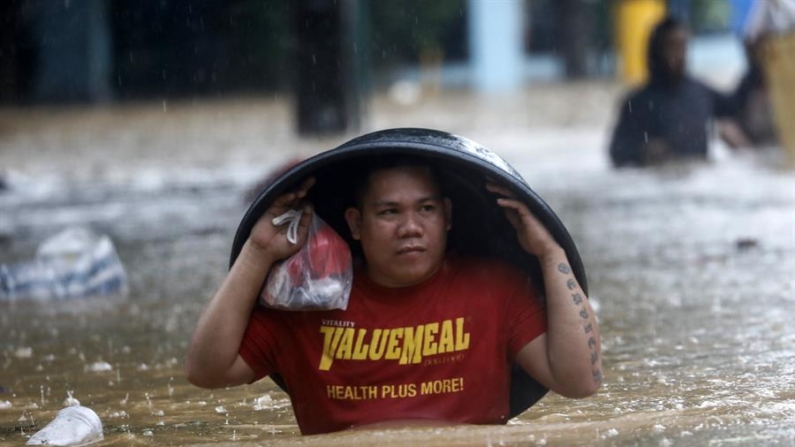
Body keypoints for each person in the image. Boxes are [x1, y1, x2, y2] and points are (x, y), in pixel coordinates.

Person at [185, 157, 602, 435]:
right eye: (389, 213)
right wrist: (257, 252)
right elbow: (207, 371)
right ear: (355, 223)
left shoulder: (496, 289)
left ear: (448, 216)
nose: (410, 228)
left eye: (426, 210)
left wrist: (550, 252)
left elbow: (580, 381)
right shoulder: (308, 302)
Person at [608, 17, 741, 167]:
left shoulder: (701, 92)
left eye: (683, 46)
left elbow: (738, 105)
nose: (679, 54)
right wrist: (643, 150)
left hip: (699, 178)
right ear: (657, 50)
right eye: (672, 46)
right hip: (657, 181)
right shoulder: (637, 103)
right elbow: (616, 152)